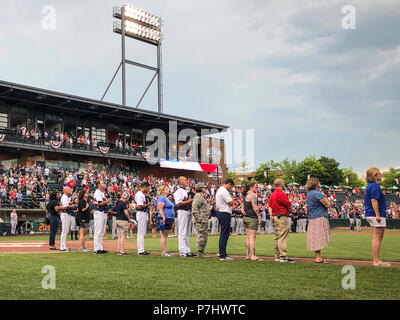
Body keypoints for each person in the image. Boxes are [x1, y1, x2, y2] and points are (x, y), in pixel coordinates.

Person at [364, 167, 391, 267]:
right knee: (377, 237)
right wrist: (378, 215)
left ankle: (376, 260)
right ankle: (376, 261)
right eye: (379, 173)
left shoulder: (371, 185)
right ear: (375, 175)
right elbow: (374, 200)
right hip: (375, 214)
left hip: (373, 213)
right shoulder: (374, 186)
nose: (381, 174)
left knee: (378, 237)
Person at [269, 179, 295, 263]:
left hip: (275, 216)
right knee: (282, 236)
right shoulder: (281, 194)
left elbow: (269, 206)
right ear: (281, 185)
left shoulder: (272, 194)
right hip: (281, 217)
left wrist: (271, 215)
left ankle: (277, 256)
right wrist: (292, 209)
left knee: (277, 236)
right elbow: (289, 205)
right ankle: (283, 257)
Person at [305, 178, 331, 263]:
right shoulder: (317, 193)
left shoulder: (309, 194)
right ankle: (318, 258)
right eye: (318, 182)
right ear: (316, 184)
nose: (320, 183)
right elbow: (327, 205)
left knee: (315, 237)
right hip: (319, 217)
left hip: (312, 217)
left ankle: (318, 257)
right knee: (319, 237)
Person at [174, 176, 196, 257]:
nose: (187, 181)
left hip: (188, 211)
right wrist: (189, 201)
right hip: (182, 211)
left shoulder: (185, 190)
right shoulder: (178, 191)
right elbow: (178, 203)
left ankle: (187, 250)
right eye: (185, 180)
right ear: (180, 181)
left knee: (187, 233)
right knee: (182, 231)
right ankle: (182, 251)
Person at [216, 179, 235, 261]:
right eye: (231, 186)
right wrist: (232, 199)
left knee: (224, 234)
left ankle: (223, 253)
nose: (231, 188)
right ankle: (222, 254)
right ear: (228, 184)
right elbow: (231, 202)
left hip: (222, 212)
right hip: (224, 213)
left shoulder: (221, 190)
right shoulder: (223, 191)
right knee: (224, 234)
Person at [242, 182, 262, 261]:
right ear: (251, 187)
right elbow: (254, 207)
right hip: (252, 218)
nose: (256, 189)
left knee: (247, 237)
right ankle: (253, 255)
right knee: (252, 237)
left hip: (246, 217)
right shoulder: (253, 196)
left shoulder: (246, 195)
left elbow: (243, 208)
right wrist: (259, 216)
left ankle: (247, 255)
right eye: (255, 187)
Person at [191, 183, 211, 258]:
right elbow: (194, 208)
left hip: (203, 219)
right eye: (204, 187)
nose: (205, 188)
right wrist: (198, 218)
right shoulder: (198, 197)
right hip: (200, 220)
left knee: (204, 236)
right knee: (202, 236)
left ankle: (201, 252)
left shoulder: (200, 196)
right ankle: (200, 253)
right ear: (200, 188)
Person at [157, 185, 175, 257]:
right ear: (163, 190)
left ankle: (165, 250)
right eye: (166, 189)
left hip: (169, 217)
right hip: (166, 217)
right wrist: (163, 217)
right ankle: (164, 251)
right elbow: (160, 208)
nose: (168, 190)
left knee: (165, 235)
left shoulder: (165, 198)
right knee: (164, 235)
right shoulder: (161, 198)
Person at [93, 180, 109, 254]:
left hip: (103, 212)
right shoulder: (97, 192)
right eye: (102, 183)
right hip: (99, 212)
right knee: (98, 231)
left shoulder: (102, 193)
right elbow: (100, 203)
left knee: (102, 232)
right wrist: (107, 201)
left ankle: (100, 248)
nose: (104, 184)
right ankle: (96, 249)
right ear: (98, 184)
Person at [135, 182, 151, 255]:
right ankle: (140, 250)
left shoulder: (142, 195)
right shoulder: (139, 194)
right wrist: (147, 205)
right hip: (141, 213)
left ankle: (141, 249)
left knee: (142, 232)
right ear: (144, 187)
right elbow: (139, 206)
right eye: (148, 188)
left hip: (143, 213)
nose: (148, 189)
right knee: (141, 232)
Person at [60, 186, 74, 252]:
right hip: (65, 214)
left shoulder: (67, 197)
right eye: (68, 189)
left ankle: (63, 246)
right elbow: (65, 206)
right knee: (64, 230)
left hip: (67, 214)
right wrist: (73, 206)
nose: (70, 190)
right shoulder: (64, 197)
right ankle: (62, 246)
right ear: (65, 190)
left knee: (65, 231)